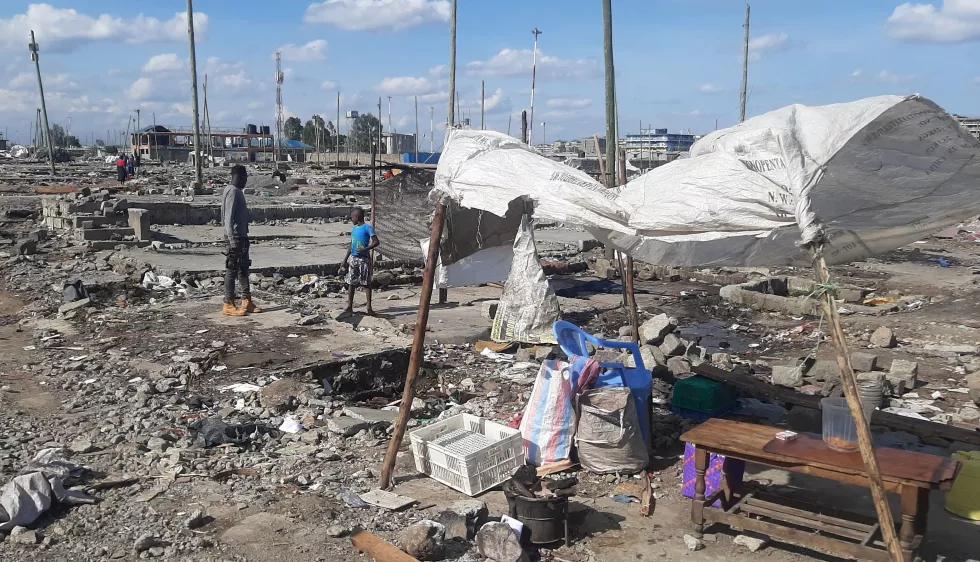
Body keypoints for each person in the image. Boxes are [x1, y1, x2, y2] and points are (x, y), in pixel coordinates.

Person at [221, 165, 262, 316]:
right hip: (235, 237)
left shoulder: (236, 191)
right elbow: (228, 219)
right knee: (232, 270)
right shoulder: (232, 191)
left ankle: (246, 301)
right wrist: (232, 241)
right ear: (241, 177)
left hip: (242, 236)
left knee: (243, 269)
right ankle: (228, 303)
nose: (246, 181)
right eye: (245, 178)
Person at [341, 207, 380, 316]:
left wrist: (365, 249)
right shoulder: (354, 229)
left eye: (351, 217)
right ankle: (349, 306)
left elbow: (376, 242)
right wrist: (345, 259)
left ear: (356, 217)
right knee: (351, 283)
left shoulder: (368, 228)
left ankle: (369, 308)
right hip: (353, 259)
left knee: (366, 283)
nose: (351, 220)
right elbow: (351, 245)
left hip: (364, 259)